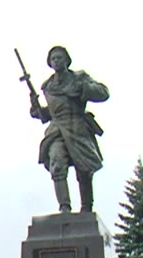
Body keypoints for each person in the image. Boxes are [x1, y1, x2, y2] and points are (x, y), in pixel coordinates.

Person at [30, 46, 109, 213]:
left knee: (84, 170)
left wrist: (82, 88)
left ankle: (86, 208)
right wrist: (37, 110)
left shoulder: (79, 78)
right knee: (57, 164)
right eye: (53, 59)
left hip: (77, 128)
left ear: (67, 60)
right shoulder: (48, 86)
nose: (56, 61)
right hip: (57, 130)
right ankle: (64, 207)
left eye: (59, 57)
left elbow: (103, 93)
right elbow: (51, 112)